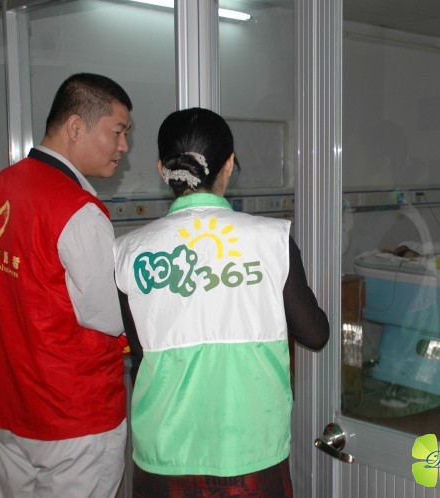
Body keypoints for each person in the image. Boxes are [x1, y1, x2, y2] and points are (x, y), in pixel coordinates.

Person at [114, 107, 330, 497]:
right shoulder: (271, 241)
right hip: (250, 454)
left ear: (162, 169)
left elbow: (141, 354)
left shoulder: (129, 250)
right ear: (229, 164)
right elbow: (315, 334)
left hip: (163, 455)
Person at [0, 73, 132, 498]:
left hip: (10, 405)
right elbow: (111, 315)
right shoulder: (76, 209)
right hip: (72, 415)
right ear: (76, 127)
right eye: (118, 131)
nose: (123, 146)